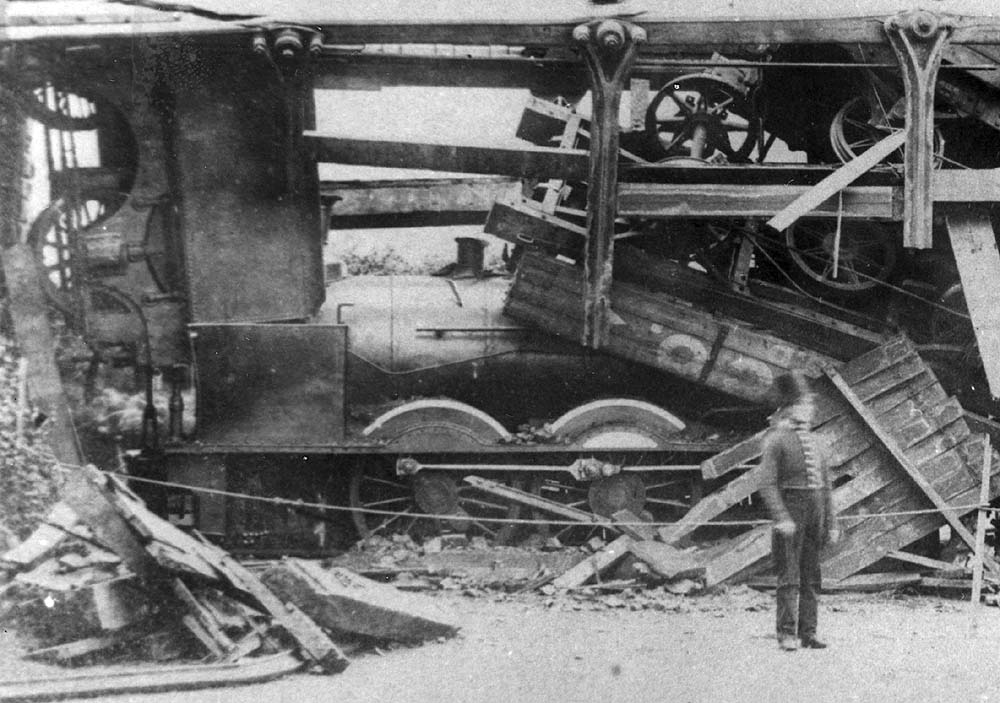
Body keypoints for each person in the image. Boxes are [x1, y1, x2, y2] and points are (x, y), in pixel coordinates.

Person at [759, 371, 838, 651]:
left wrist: (831, 523)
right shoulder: (776, 440)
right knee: (789, 577)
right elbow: (766, 484)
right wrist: (781, 518)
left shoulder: (818, 442)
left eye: (810, 404)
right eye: (805, 404)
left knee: (811, 577)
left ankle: (809, 633)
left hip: (815, 514)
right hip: (790, 513)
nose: (810, 410)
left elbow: (827, 488)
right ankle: (786, 634)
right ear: (791, 408)